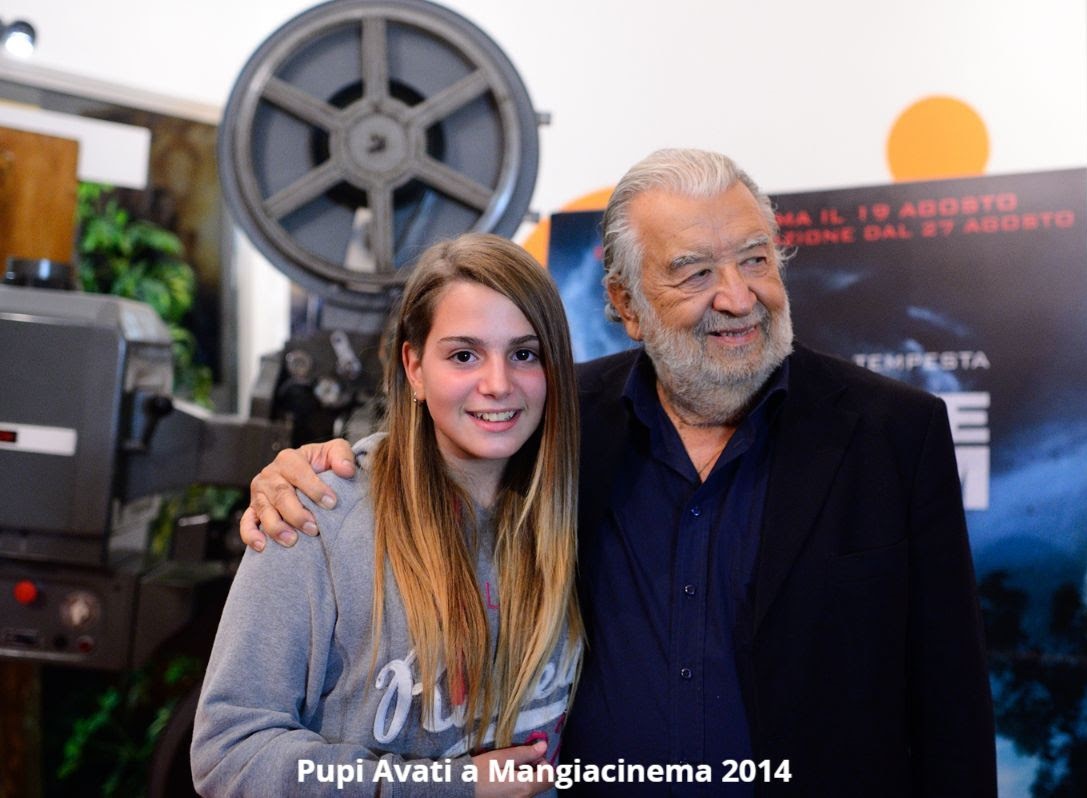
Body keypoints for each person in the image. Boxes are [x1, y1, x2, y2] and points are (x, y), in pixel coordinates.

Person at [241, 149, 996, 796]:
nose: (737, 297)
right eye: (694, 272)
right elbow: (449, 429)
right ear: (625, 303)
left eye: (755, 259)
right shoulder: (560, 422)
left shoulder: (895, 433)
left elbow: (951, 703)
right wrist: (312, 469)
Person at [191, 233, 583, 797]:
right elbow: (230, 754)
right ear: (414, 367)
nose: (498, 384)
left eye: (524, 354)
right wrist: (447, 788)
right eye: (464, 355)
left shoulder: (572, 511)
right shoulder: (317, 513)